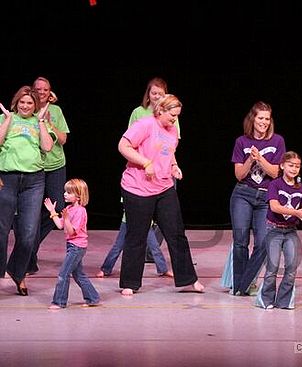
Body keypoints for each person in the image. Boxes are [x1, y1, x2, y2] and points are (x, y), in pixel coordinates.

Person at [117, 93, 204, 295]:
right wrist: (145, 162)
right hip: (137, 188)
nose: (175, 119)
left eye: (177, 116)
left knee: (176, 234)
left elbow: (169, 151)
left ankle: (188, 279)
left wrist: (174, 166)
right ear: (160, 110)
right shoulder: (145, 124)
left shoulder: (172, 130)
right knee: (136, 236)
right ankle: (130, 282)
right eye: (172, 115)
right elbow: (123, 145)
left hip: (164, 187)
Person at [225, 101, 286, 296]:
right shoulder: (241, 142)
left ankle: (245, 283)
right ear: (253, 119)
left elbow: (276, 172)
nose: (264, 122)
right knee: (241, 241)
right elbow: (239, 175)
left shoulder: (277, 141)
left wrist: (260, 158)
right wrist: (250, 159)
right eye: (260, 118)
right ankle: (239, 286)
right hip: (243, 194)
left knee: (263, 242)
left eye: (267, 119)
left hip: (265, 197)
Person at [0, 86, 54, 296]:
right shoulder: (6, 118)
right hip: (7, 178)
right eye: (22, 102)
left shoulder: (38, 121)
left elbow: (48, 147)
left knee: (29, 234)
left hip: (34, 180)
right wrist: (7, 120)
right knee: (2, 230)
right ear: (16, 102)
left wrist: (40, 121)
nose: (25, 106)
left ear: (35, 105)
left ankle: (17, 271)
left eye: (29, 103)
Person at [255, 151, 302, 309]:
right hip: (274, 230)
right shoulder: (275, 184)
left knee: (291, 268)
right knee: (272, 268)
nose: (294, 169)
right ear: (282, 165)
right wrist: (296, 212)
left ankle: (284, 301)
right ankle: (266, 300)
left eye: (297, 166)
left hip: (290, 231)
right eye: (290, 165)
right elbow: (274, 206)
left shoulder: (301, 188)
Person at [128, 77, 178, 263]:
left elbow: (171, 146)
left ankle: (154, 252)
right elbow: (128, 144)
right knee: (135, 227)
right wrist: (144, 163)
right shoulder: (140, 115)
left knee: (169, 222)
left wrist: (174, 166)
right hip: (141, 177)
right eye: (154, 93)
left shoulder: (172, 116)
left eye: (161, 94)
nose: (157, 97)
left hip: (164, 174)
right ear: (148, 94)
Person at [27, 76, 71, 275]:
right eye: (38, 89)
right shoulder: (27, 107)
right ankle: (28, 257)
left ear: (49, 92)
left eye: (45, 89)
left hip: (55, 166)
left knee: (58, 208)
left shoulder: (56, 111)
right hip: (34, 166)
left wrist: (49, 123)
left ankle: (31, 248)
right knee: (32, 212)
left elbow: (63, 139)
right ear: (32, 90)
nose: (42, 92)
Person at [45, 178, 100, 309]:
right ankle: (93, 297)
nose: (65, 194)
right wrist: (53, 212)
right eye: (65, 191)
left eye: (69, 192)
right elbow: (60, 225)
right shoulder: (68, 209)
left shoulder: (80, 211)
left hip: (77, 247)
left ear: (78, 196)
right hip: (72, 246)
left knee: (63, 274)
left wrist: (66, 219)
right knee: (78, 274)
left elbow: (72, 232)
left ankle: (59, 302)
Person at [96, 208, 173, 278]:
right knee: (118, 246)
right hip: (128, 221)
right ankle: (105, 269)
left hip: (145, 221)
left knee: (154, 246)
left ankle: (163, 269)